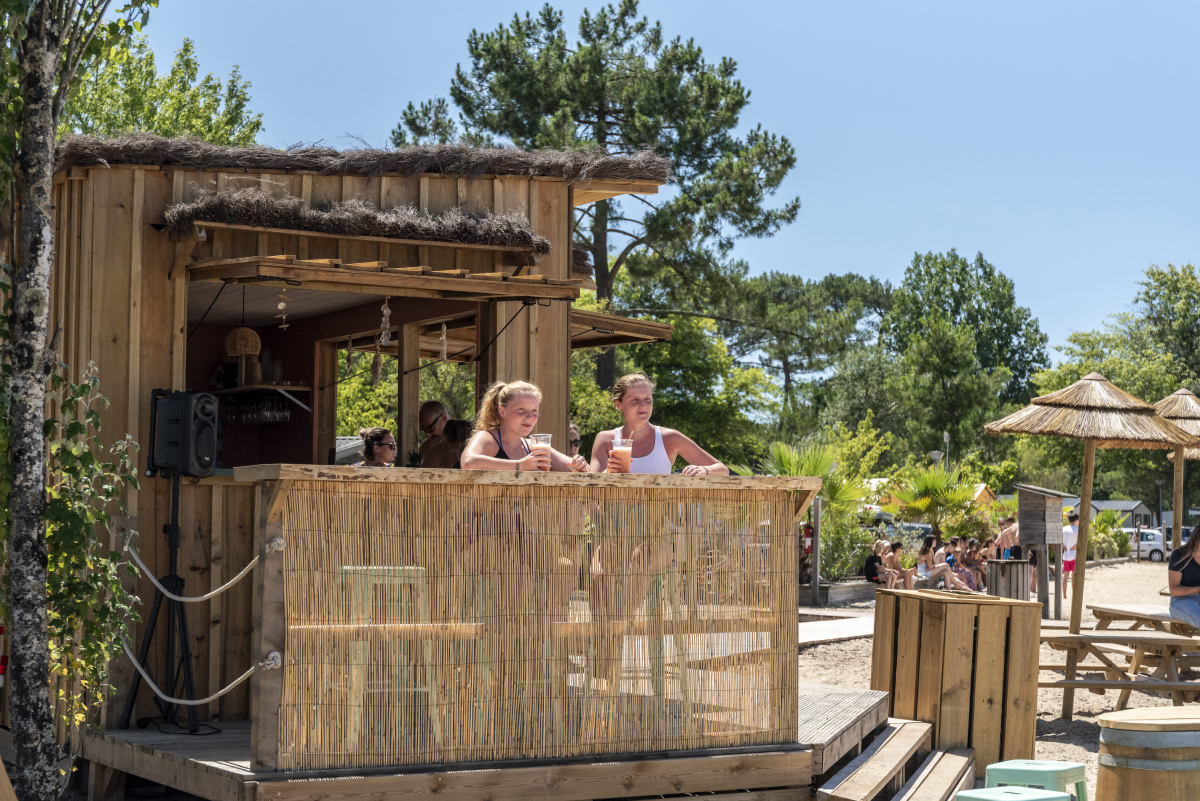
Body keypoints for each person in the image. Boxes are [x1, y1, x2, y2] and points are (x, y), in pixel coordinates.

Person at [589, 373, 728, 476]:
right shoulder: (605, 439)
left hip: (659, 515)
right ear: (618, 404)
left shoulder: (670, 438)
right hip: (615, 516)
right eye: (635, 400)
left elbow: (723, 470)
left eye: (647, 399)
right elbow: (590, 488)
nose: (643, 406)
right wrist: (608, 472)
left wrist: (705, 470)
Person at [461, 382, 588, 472]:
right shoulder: (487, 438)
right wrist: (519, 466)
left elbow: (573, 468)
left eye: (534, 410)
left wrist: (580, 466)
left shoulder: (534, 446)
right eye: (521, 409)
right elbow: (468, 462)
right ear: (502, 411)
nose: (529, 417)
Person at [419, 400, 471, 468]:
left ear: (443, 418)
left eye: (430, 429)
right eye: (424, 431)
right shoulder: (424, 446)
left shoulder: (467, 440)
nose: (428, 436)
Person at [1168, 523, 1200, 630]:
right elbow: (1174, 590)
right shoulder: (1179, 555)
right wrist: (1198, 589)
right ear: (1195, 540)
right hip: (1180, 601)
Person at [1062, 513, 1079, 598]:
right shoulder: (1077, 530)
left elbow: (1060, 540)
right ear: (1076, 520)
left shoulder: (1063, 529)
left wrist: (1064, 546)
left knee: (1065, 576)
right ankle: (1074, 595)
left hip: (1066, 555)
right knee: (1073, 576)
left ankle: (1064, 595)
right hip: (1074, 555)